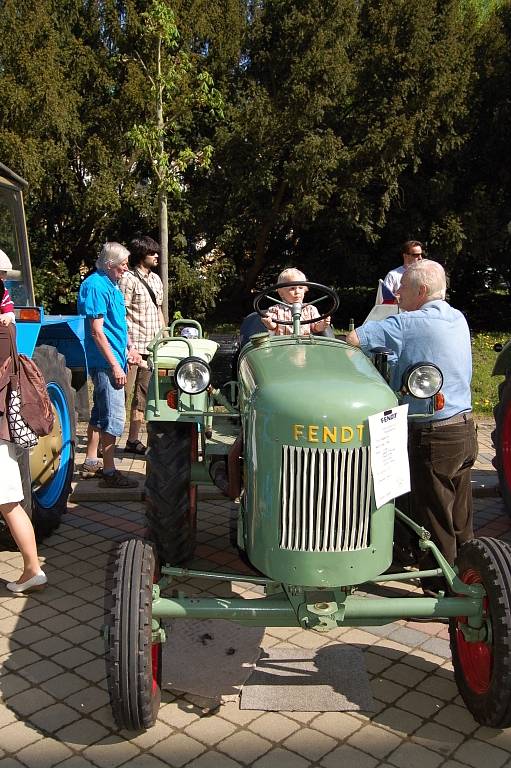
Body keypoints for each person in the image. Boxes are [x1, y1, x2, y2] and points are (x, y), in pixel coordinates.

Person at [346, 260, 478, 592]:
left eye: (402, 287)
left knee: (433, 517)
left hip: (433, 434)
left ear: (420, 291)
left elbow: (353, 339)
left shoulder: (406, 323)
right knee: (460, 516)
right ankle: (471, 577)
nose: (397, 293)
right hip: (465, 429)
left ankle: (440, 594)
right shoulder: (457, 318)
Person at [77, 242, 142, 487]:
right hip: (105, 362)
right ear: (108, 265)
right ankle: (110, 471)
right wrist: (115, 364)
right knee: (114, 417)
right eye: (122, 266)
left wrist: (130, 349)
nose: (125, 270)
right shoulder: (95, 286)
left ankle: (91, 462)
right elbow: (96, 331)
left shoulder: (112, 285)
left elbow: (117, 325)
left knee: (100, 413)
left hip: (115, 356)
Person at [0, 325, 47, 593]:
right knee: (8, 502)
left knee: (8, 502)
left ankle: (32, 569)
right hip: (2, 427)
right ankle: (32, 569)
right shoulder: (7, 328)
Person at [118, 236, 165, 454]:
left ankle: (133, 440)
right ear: (140, 255)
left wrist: (165, 338)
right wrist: (127, 347)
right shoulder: (127, 279)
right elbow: (119, 314)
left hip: (151, 349)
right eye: (152, 252)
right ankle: (105, 443)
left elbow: (159, 311)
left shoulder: (156, 279)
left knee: (142, 396)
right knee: (121, 394)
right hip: (131, 348)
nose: (157, 255)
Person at [261, 267, 331, 336]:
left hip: (305, 344)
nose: (297, 292)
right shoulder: (275, 310)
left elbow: (316, 328)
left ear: (305, 290)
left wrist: (323, 324)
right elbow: (273, 326)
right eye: (292, 288)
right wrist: (269, 323)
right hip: (283, 344)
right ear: (281, 292)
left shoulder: (310, 309)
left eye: (300, 288)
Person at [0, 249, 15, 326]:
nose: (2, 277)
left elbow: (8, 308)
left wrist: (8, 316)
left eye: (4, 272)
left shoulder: (3, 291)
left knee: (9, 328)